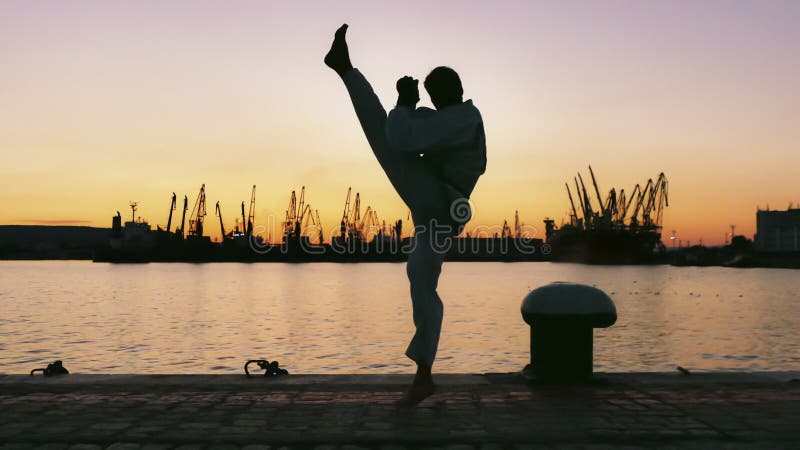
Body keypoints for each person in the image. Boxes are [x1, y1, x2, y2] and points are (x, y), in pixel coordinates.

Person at [325, 24, 486, 406]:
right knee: (420, 275)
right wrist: (406, 107)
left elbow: (399, 135)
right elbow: (399, 130)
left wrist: (404, 103)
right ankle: (424, 375)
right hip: (432, 202)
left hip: (442, 205)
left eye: (436, 94)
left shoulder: (462, 118)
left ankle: (424, 375)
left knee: (386, 140)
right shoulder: (446, 119)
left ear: (452, 91)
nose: (433, 99)